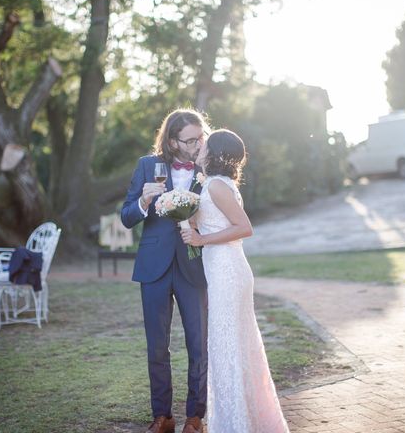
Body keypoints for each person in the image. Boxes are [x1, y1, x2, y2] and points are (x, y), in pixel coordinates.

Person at [180, 129, 290, 433]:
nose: (200, 148)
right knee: (236, 347)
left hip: (228, 271)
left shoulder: (216, 185)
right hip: (223, 270)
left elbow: (244, 227)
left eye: (206, 144)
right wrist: (189, 220)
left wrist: (201, 239)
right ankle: (244, 420)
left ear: (215, 153)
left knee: (227, 346)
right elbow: (217, 221)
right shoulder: (217, 184)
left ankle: (236, 425)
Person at [121, 109, 210, 433]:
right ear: (172, 142)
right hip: (154, 268)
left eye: (201, 137)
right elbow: (127, 216)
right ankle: (163, 416)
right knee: (157, 346)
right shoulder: (148, 166)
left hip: (194, 266)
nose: (198, 144)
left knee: (198, 345)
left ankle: (195, 416)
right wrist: (143, 203)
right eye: (190, 140)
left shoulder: (208, 167)